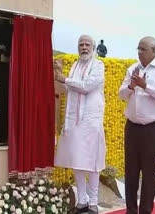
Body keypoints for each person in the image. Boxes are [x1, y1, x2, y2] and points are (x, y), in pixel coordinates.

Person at [119, 36, 155, 214]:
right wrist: (131, 87)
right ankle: (131, 210)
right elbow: (121, 95)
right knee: (131, 171)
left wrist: (145, 85)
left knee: (149, 173)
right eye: (138, 49)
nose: (140, 52)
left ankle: (145, 211)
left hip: (153, 128)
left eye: (143, 49)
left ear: (154, 51)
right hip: (132, 127)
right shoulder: (132, 69)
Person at [54, 34, 106, 214]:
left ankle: (93, 203)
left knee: (92, 163)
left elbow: (87, 86)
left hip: (91, 121)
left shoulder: (98, 65)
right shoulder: (75, 66)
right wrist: (59, 74)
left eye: (87, 44)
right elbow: (69, 89)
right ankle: (82, 201)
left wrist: (64, 79)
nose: (84, 47)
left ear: (92, 47)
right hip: (74, 121)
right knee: (77, 161)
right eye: (81, 44)